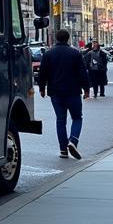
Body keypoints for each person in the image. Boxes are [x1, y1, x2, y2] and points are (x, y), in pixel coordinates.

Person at [38, 28, 91, 159]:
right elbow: (82, 73)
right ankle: (73, 141)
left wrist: (42, 88)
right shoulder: (75, 53)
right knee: (77, 118)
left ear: (56, 38)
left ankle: (63, 150)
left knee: (60, 121)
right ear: (68, 38)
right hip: (73, 91)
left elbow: (42, 72)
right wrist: (86, 89)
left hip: (55, 92)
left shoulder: (48, 54)